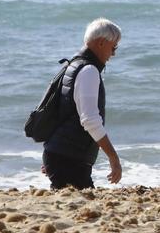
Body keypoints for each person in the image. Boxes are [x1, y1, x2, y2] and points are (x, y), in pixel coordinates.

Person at [42, 18, 123, 189]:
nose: (113, 54)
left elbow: (62, 112)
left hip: (59, 155)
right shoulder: (88, 71)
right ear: (101, 43)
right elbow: (90, 120)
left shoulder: (73, 65)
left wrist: (53, 152)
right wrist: (113, 158)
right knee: (85, 204)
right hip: (68, 158)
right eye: (113, 47)